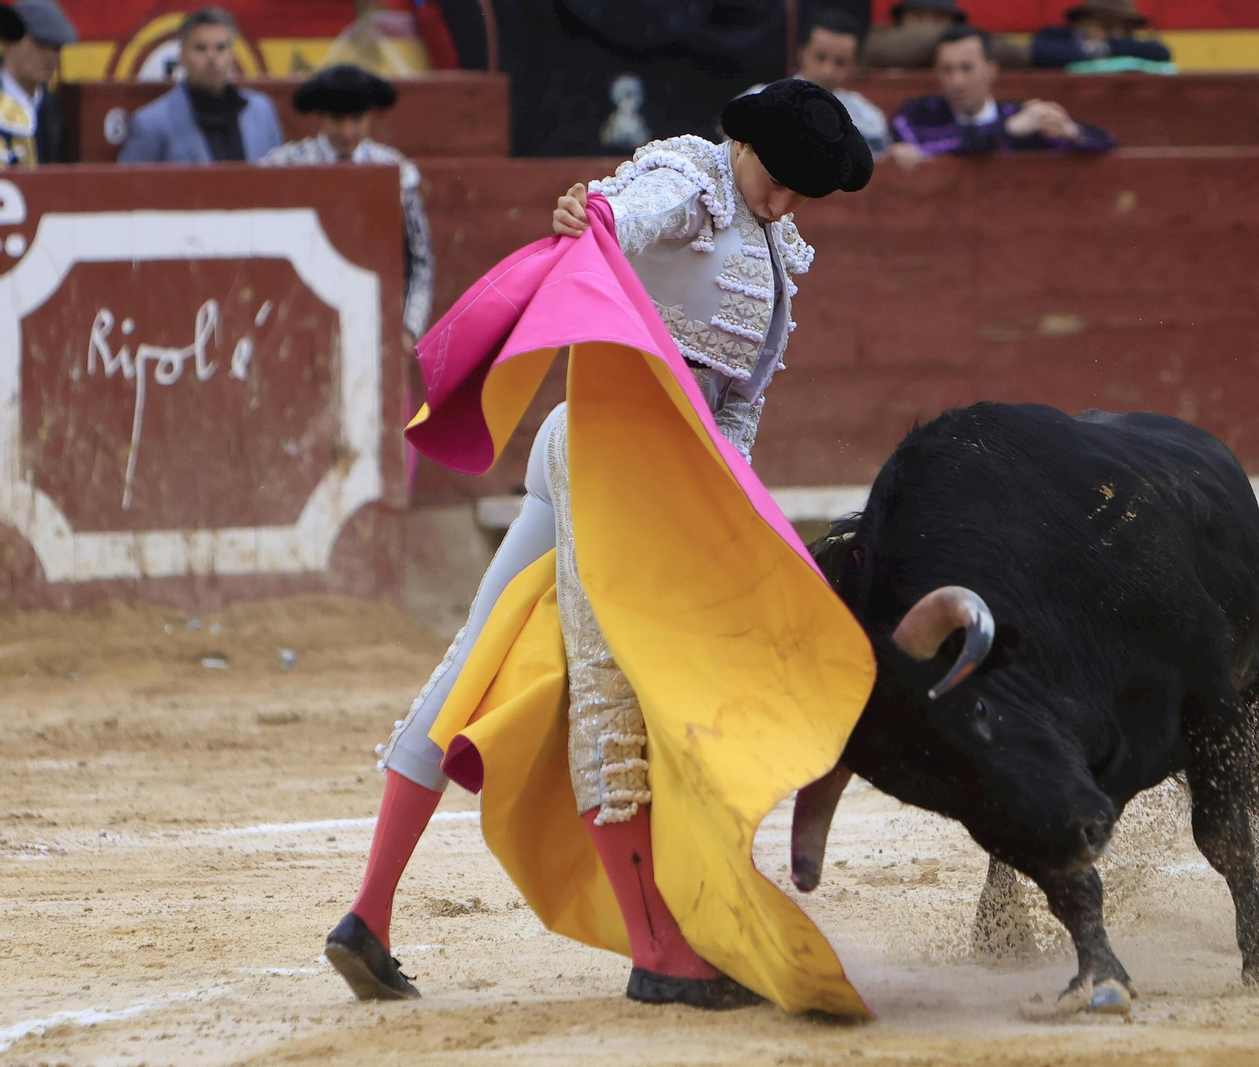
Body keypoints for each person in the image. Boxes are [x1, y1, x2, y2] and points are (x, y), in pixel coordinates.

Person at [323, 79, 875, 1013]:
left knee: (482, 663)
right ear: (744, 147)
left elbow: (739, 409)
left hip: (647, 475)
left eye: (802, 192)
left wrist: (725, 508)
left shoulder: (779, 245)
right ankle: (658, 949)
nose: (784, 202)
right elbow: (628, 213)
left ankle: (366, 916)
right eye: (779, 179)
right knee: (614, 680)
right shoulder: (692, 182)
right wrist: (598, 210)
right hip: (608, 462)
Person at [260, 65, 434, 351]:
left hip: (376, 322)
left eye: (357, 119)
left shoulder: (397, 171)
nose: (347, 131)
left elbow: (420, 259)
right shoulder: (282, 167)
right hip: (298, 324)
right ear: (320, 116)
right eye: (337, 120)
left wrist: (409, 328)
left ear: (370, 117)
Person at [888, 27, 1115, 168]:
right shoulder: (917, 114)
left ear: (991, 70)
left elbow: (1105, 143)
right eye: (947, 70)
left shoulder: (1018, 118)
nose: (956, 81)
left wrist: (1071, 131)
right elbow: (930, 144)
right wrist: (1006, 130)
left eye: (967, 68)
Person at [118, 6, 283, 164]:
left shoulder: (261, 112)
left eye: (221, 48)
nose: (212, 57)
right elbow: (127, 187)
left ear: (232, 56)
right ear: (181, 57)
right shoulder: (151, 124)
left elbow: (278, 180)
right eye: (200, 48)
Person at [744, 8, 888, 155]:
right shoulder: (759, 98)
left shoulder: (868, 118)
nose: (827, 71)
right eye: (820, 57)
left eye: (840, 62)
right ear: (801, 52)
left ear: (854, 66)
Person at [0, 0, 72, 166]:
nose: (50, 57)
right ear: (9, 42)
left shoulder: (54, 108)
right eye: (40, 44)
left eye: (56, 47)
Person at [862, 0, 1029, 69]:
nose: (927, 26)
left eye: (938, 18)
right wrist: (949, 34)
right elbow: (875, 50)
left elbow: (1020, 55)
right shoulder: (881, 38)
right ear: (900, 21)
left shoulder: (971, 40)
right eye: (917, 17)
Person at [1032, 0, 1172, 68]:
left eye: (1127, 29)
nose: (1118, 35)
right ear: (1083, 22)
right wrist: (1085, 51)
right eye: (1107, 26)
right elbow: (1038, 53)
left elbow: (1161, 52)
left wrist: (1103, 48)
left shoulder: (1136, 47)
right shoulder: (1053, 36)